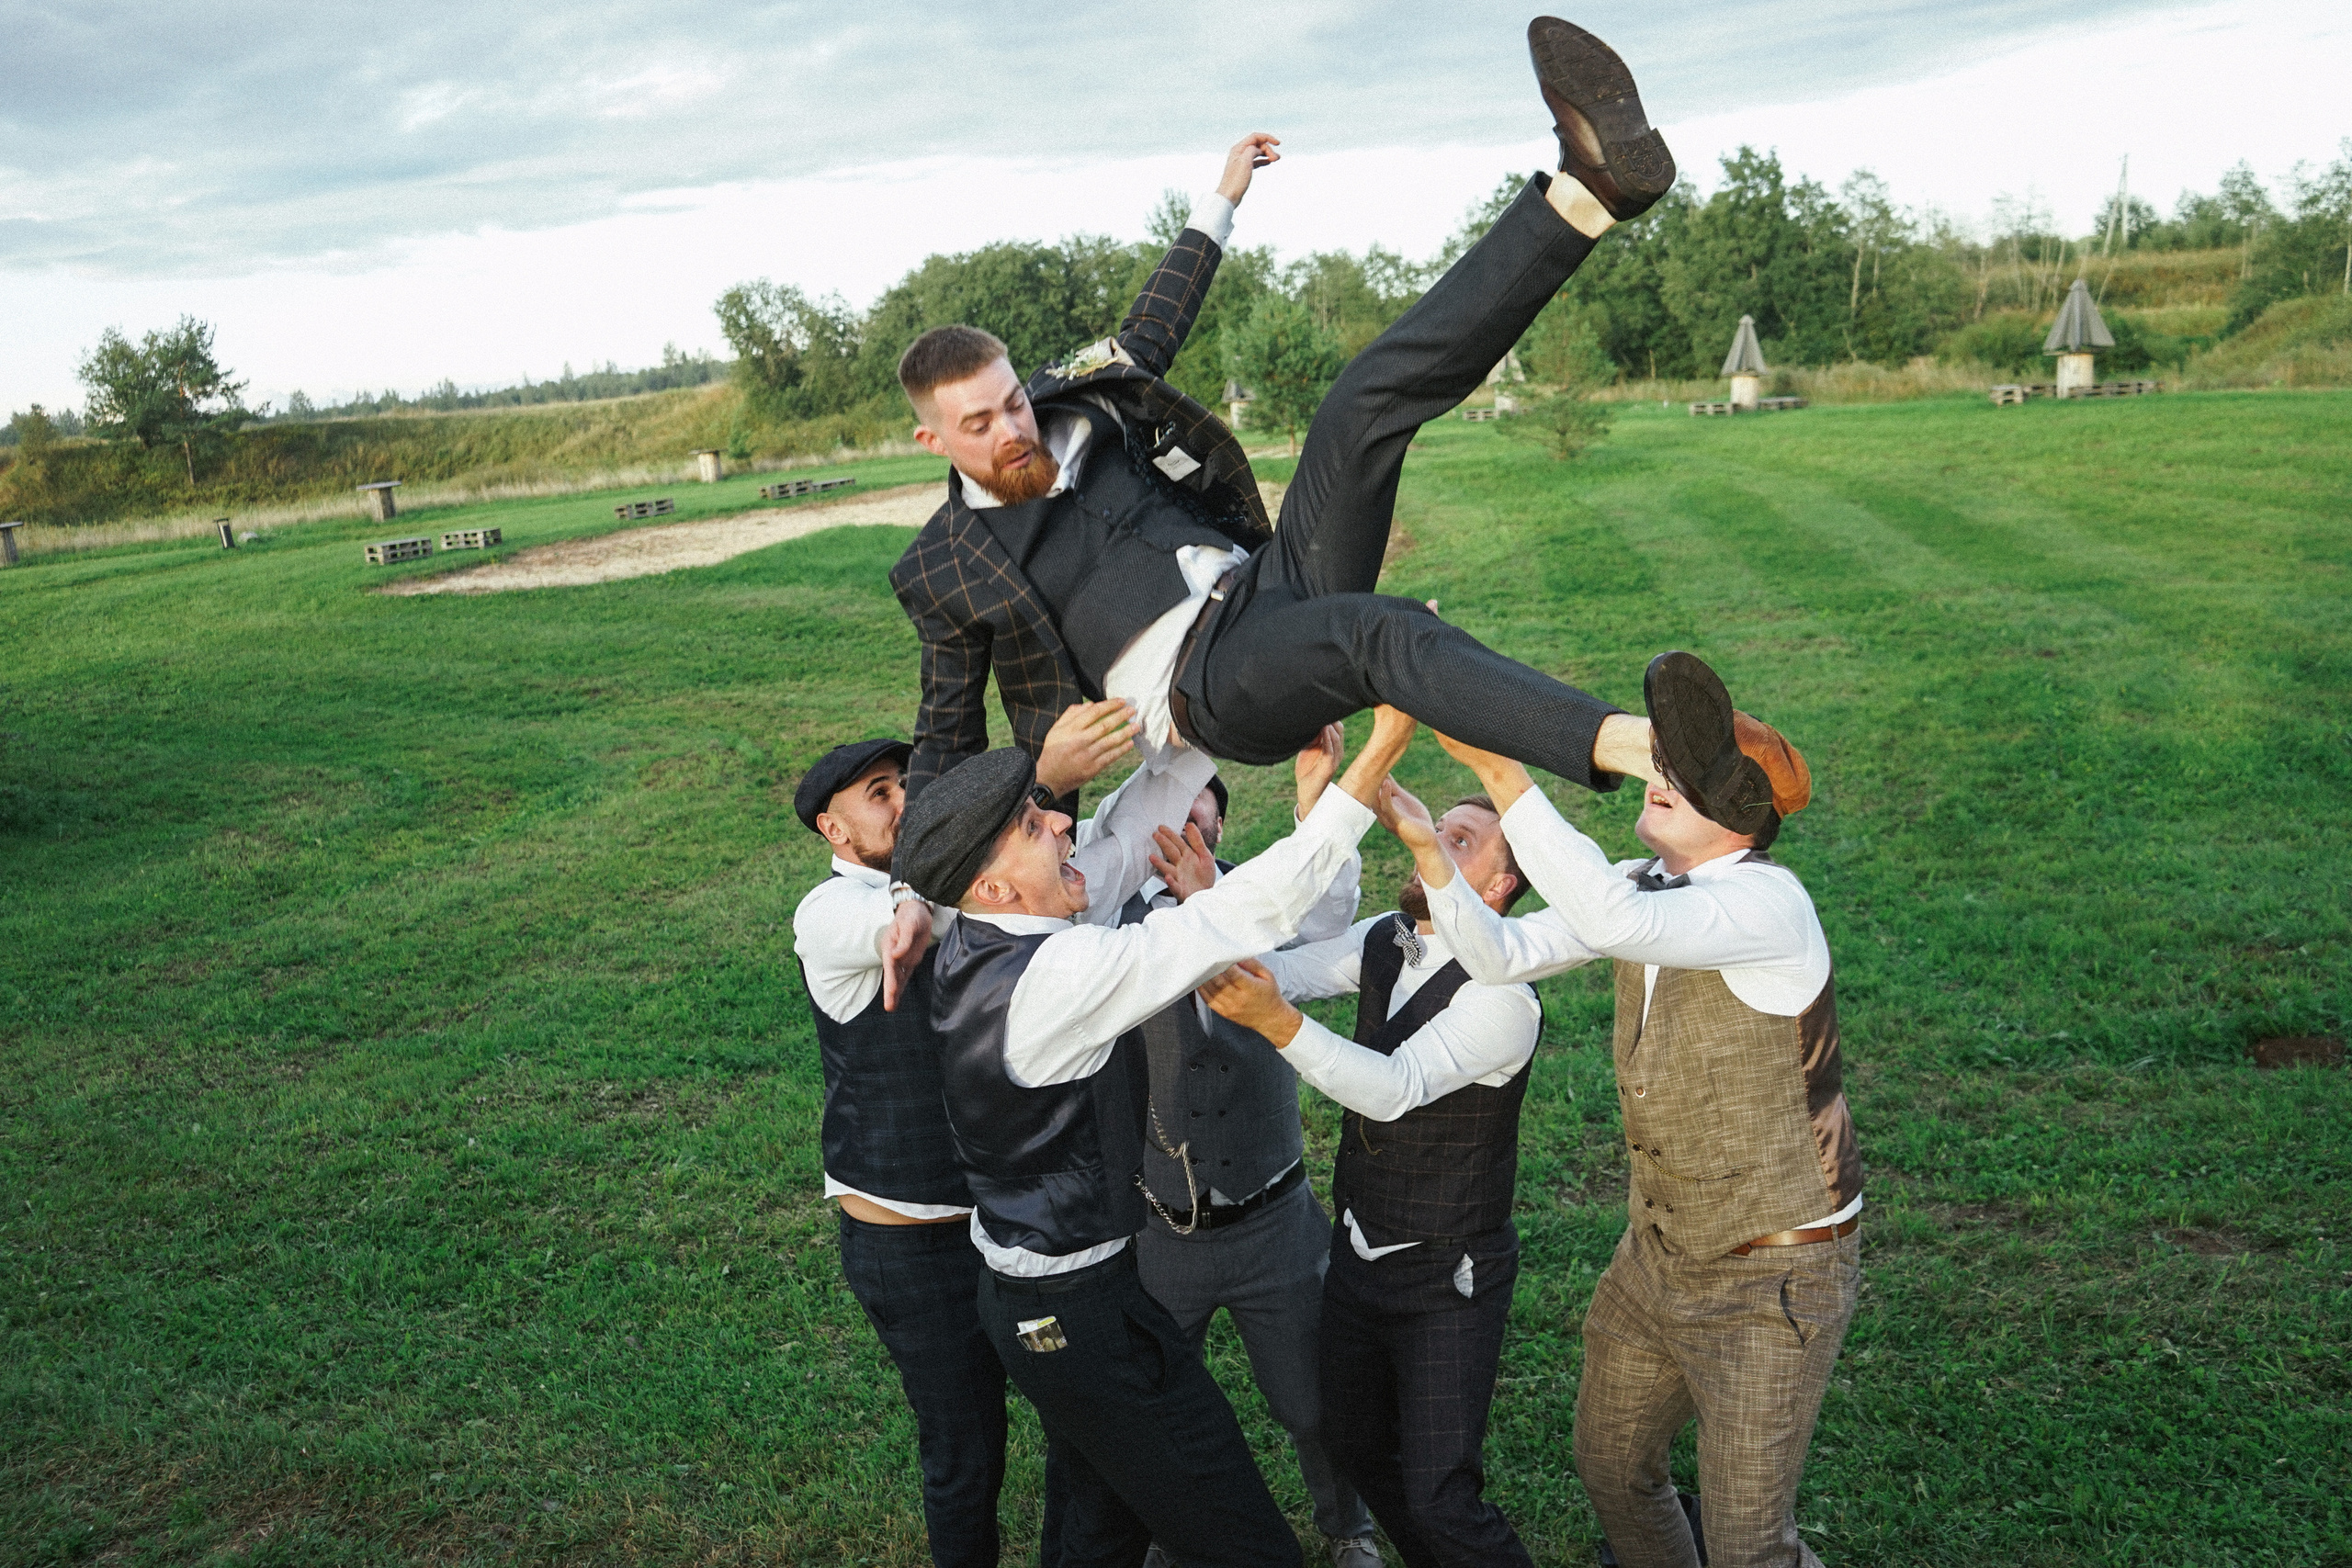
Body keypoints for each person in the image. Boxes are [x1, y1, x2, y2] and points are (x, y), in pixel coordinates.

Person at [888, 17, 1675, 810]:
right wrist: (1033, 786)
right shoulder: (941, 568)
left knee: (1364, 399)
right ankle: (1655, 750)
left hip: (1269, 578)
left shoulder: (1074, 397)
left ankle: (1588, 194)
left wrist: (1222, 197)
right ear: (932, 439)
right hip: (1204, 684)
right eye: (980, 425)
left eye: (1014, 402)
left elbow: (1150, 326)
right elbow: (942, 746)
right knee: (1382, 632)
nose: (1013, 429)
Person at [889, 709, 1419, 1568]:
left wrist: (1215, 696)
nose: (1063, 823)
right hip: (1077, 1313)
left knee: (1096, 1526)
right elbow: (1242, 911)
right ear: (995, 889)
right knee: (1245, 1541)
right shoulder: (1057, 975)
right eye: (1033, 825)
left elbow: (1137, 820)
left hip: (1050, 1298)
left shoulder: (989, 930)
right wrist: (1379, 753)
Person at [1405, 652, 1863, 1568]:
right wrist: (1431, 855)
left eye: (1686, 774)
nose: (1659, 776)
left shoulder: (1770, 905)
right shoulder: (1639, 883)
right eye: (1665, 761)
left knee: (1748, 1546)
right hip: (1656, 1257)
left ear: (1740, 811)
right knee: (1612, 1468)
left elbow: (1618, 922)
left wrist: (1505, 777)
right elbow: (1499, 955)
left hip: (1770, 1275)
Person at [788, 698, 1139, 1568]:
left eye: (905, 783)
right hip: (912, 1249)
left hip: (1006, 1238)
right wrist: (1039, 779)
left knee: (1086, 1430)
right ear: (833, 828)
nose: (903, 800)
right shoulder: (828, 914)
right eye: (879, 793)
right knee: (966, 1453)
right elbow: (924, 913)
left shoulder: (945, 885)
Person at [1195, 784, 1550, 1568]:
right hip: (1359, 1256)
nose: (1430, 842)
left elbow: (1391, 1087)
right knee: (1352, 1438)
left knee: (1441, 1496)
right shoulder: (1390, 935)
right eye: (1436, 826)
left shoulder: (1504, 1001)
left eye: (1459, 841)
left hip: (1446, 1276)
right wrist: (1202, 905)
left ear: (1498, 887)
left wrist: (1277, 1024)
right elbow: (1282, 971)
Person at [1123, 731, 1381, 1568]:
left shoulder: (1263, 904)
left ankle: (1348, 1528)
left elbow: (1330, 912)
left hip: (1274, 1221)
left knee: (1312, 1402)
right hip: (1163, 1229)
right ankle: (1166, 1535)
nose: (1186, 827)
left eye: (1202, 815)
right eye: (1171, 812)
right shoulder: (1108, 927)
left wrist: (1313, 798)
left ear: (1221, 831)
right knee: (1154, 1405)